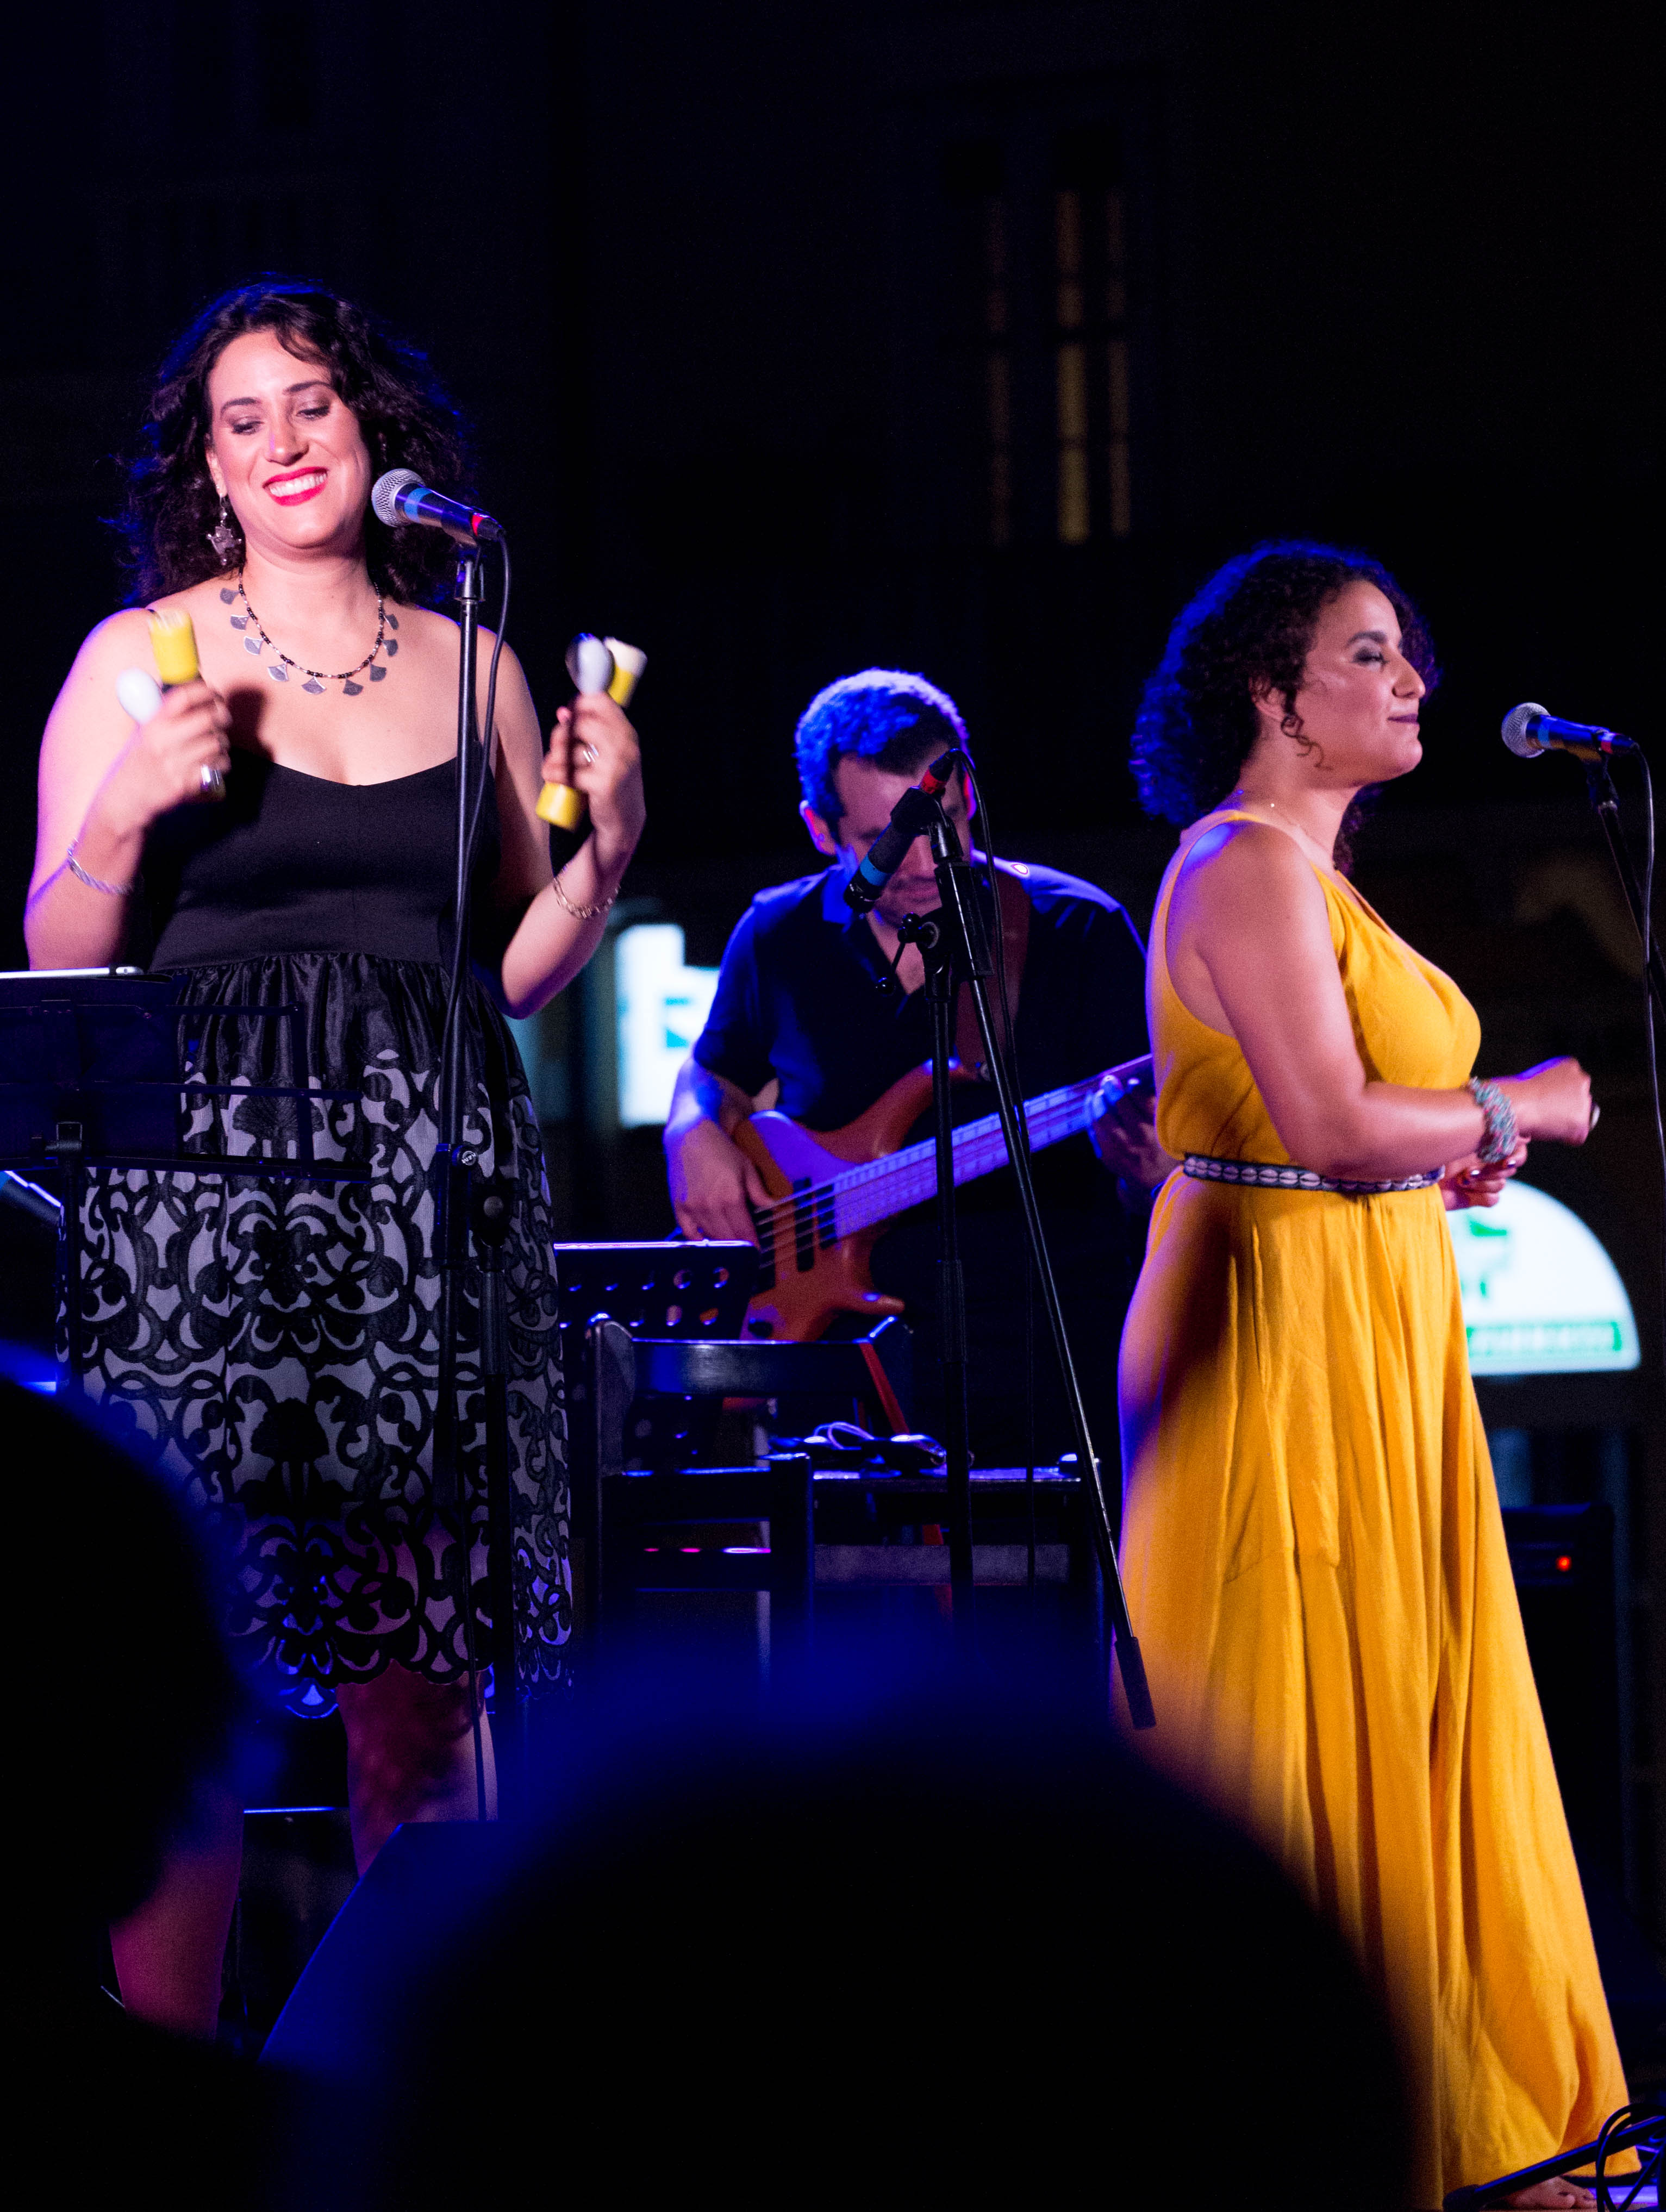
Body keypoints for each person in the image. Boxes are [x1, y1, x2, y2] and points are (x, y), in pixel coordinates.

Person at [25, 279, 643, 2029]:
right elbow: (59, 954)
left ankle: (389, 2089)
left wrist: (608, 850)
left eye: (313, 404)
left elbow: (511, 967)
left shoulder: (476, 657)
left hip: (422, 1201)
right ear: (210, 469)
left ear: (373, 432)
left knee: (423, 1688)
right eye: (246, 420)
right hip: (200, 1207)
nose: (286, 441)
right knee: (192, 1679)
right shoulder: (136, 656)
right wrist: (126, 809)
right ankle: (171, 2092)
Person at [1116, 542, 1628, 2210]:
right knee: (1290, 1690)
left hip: (1364, 1292)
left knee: (1397, 1686)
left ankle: (1447, 2099)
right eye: (1366, 653)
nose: (1411, 681)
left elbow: (1340, 1122)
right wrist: (1517, 1105)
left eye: (1405, 653)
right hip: (1273, 1304)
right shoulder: (1241, 858)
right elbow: (1331, 1125)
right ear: (1273, 693)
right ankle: (1323, 2117)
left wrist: (1441, 1154)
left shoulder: (1309, 873)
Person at [665, 667, 1168, 1470]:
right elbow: (713, 1072)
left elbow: (1163, 1152)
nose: (926, 862)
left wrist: (1151, 1170)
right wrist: (690, 1128)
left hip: (1045, 1361)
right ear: (821, 828)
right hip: (843, 1376)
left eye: (942, 825)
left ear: (966, 796)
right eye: (883, 839)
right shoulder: (776, 935)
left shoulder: (1077, 929)